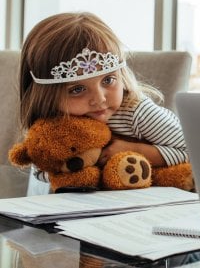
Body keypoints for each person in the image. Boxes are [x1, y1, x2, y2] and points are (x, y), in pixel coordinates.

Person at [19, 11, 189, 187]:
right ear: (46, 96)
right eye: (77, 89)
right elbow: (40, 170)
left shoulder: (137, 112)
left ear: (121, 74)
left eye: (108, 80)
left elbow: (194, 151)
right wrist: (71, 171)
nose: (99, 99)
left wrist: (134, 150)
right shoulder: (54, 125)